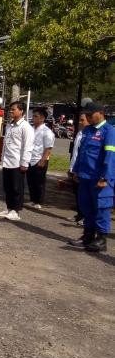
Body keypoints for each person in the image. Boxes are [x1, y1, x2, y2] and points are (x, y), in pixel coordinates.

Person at [68, 102, 114, 253]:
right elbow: (82, 153)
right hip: (85, 176)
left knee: (101, 208)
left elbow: (110, 157)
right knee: (86, 207)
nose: (87, 118)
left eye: (90, 115)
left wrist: (105, 177)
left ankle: (101, 240)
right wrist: (76, 171)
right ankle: (88, 236)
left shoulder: (109, 131)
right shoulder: (87, 130)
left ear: (100, 113)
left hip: (99, 178)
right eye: (86, 115)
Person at [0, 101, 34, 221]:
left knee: (17, 187)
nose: (11, 111)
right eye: (10, 109)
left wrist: (24, 163)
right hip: (8, 160)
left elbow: (28, 146)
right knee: (8, 187)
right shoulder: (10, 125)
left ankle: (15, 211)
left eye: (13, 109)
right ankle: (9, 207)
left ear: (21, 111)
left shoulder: (26, 127)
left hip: (17, 162)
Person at [27, 108, 55, 209]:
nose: (33, 118)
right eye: (33, 116)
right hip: (30, 158)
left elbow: (48, 147)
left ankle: (38, 201)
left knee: (39, 182)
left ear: (42, 118)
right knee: (31, 181)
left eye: (36, 116)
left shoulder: (46, 131)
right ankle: (32, 199)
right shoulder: (31, 129)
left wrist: (43, 160)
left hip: (40, 159)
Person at [69, 113, 88, 225]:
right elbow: (75, 153)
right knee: (77, 193)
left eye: (82, 120)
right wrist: (71, 167)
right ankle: (79, 215)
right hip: (75, 167)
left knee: (84, 194)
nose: (80, 122)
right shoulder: (80, 133)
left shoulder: (89, 134)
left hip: (82, 169)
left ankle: (85, 216)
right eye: (79, 120)